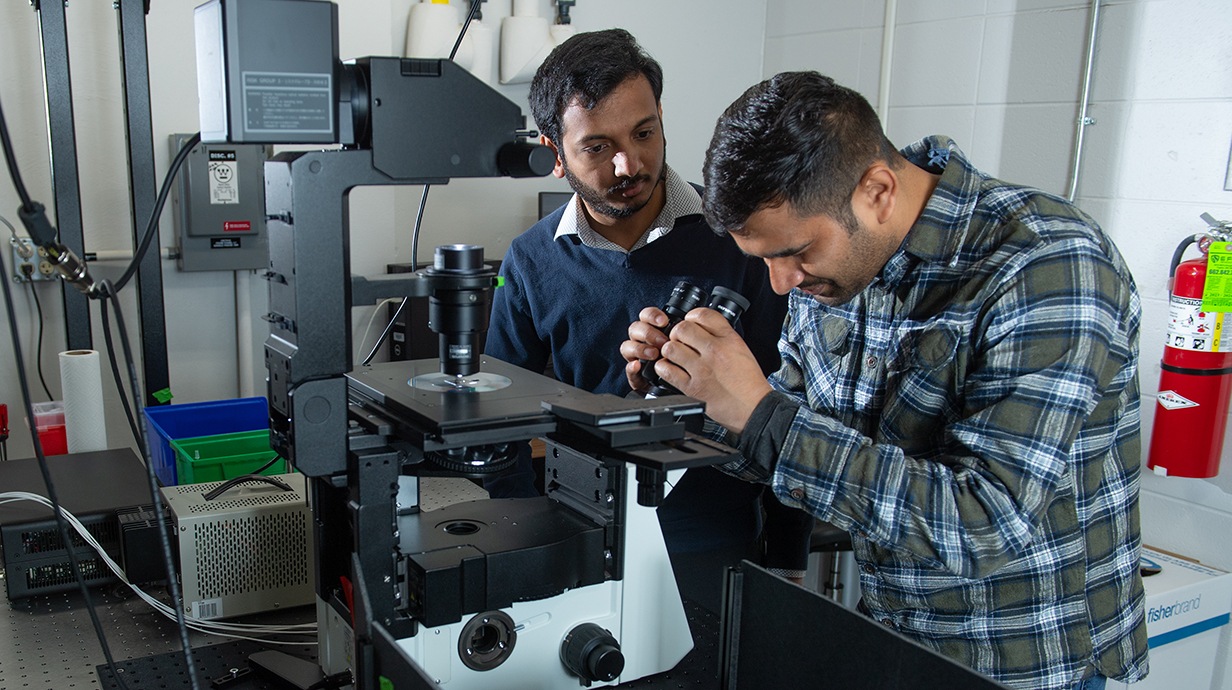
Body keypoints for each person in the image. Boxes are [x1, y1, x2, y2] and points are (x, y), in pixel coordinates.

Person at [621, 71, 1148, 690]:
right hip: (896, 642)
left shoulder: (1047, 263)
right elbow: (795, 445)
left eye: (793, 252)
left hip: (1027, 664)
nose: (779, 283)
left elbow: (984, 526)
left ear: (877, 190)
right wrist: (700, 400)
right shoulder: (839, 266)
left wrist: (760, 412)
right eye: (763, 258)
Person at [482, 29, 812, 612]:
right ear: (554, 153)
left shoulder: (742, 240)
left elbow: (796, 402)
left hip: (712, 542)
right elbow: (497, 423)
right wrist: (520, 540)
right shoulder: (531, 260)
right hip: (577, 541)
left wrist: (787, 554)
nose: (628, 163)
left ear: (662, 115)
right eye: (596, 147)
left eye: (644, 132)